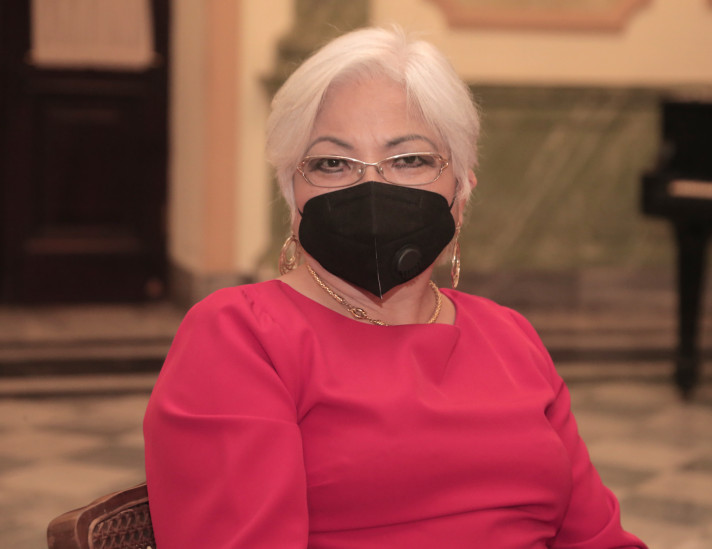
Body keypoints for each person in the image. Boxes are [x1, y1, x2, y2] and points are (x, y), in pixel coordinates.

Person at [143, 26, 646, 549]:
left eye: (409, 160)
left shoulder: (509, 336)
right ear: (292, 195)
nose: (372, 189)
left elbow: (598, 538)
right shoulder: (239, 336)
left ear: (463, 189)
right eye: (332, 163)